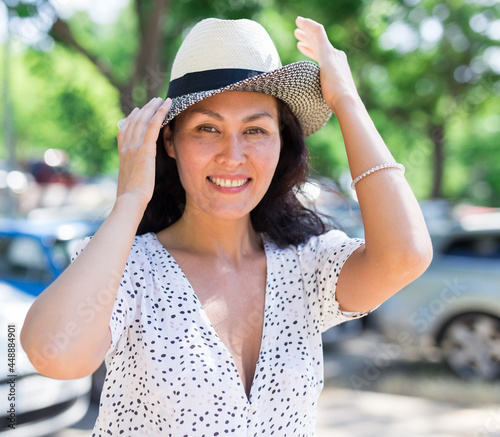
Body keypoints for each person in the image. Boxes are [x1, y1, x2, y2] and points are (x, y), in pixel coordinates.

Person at [21, 16, 432, 436]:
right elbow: (53, 353)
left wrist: (346, 99)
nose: (232, 155)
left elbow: (406, 255)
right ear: (168, 142)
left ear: (281, 143)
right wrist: (130, 198)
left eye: (255, 129)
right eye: (207, 129)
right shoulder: (128, 269)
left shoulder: (307, 264)